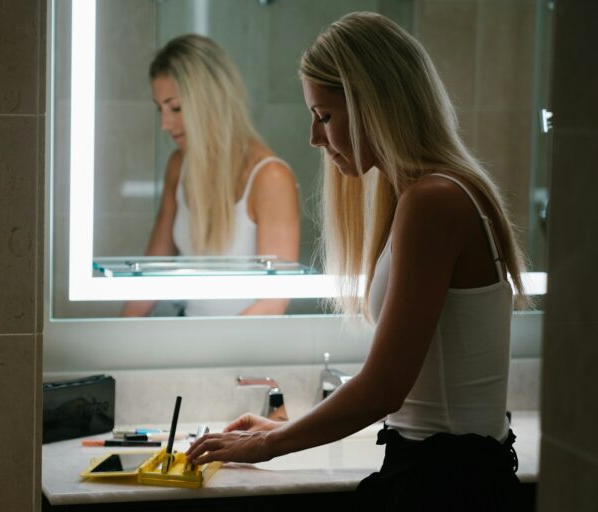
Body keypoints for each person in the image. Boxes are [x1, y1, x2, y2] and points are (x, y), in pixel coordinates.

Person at [186, 12, 529, 510]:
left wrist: (267, 444)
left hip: (446, 485)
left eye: (324, 116)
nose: (314, 138)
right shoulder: (434, 192)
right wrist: (289, 430)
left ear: (376, 105)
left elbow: (384, 387)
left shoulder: (434, 201)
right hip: (452, 472)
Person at [121, 34, 300, 317]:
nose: (164, 124)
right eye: (160, 109)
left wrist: (208, 348)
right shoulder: (178, 166)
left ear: (211, 101)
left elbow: (273, 301)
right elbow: (149, 276)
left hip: (242, 348)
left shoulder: (270, 178)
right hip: (191, 340)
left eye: (175, 107)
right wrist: (116, 342)